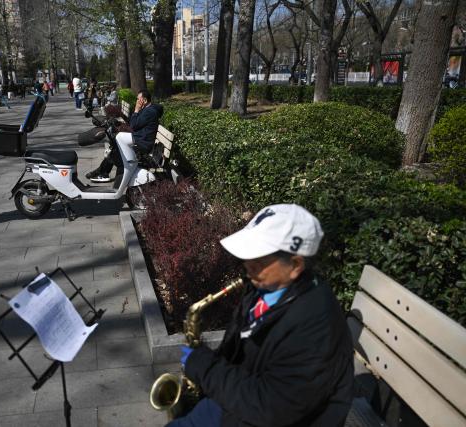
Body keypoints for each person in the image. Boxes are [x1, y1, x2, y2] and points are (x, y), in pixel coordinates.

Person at [167, 204, 354, 427]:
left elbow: (271, 408)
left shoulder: (316, 328)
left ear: (295, 265)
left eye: (258, 260)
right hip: (243, 399)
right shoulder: (268, 285)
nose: (247, 266)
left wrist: (205, 367)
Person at [87, 89, 162, 183]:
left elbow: (133, 126)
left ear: (145, 100)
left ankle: (102, 173)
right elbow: (132, 123)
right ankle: (101, 172)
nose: (137, 101)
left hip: (142, 144)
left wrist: (136, 110)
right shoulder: (147, 110)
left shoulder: (149, 112)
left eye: (138, 99)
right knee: (115, 148)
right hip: (140, 140)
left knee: (116, 151)